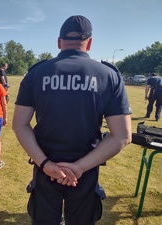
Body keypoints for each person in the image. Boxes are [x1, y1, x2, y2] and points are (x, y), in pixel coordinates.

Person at [12, 15, 132, 225]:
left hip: (45, 166)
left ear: (59, 42)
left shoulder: (36, 73)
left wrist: (46, 164)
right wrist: (79, 167)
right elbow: (122, 136)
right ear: (90, 42)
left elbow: (20, 124)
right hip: (86, 168)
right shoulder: (108, 75)